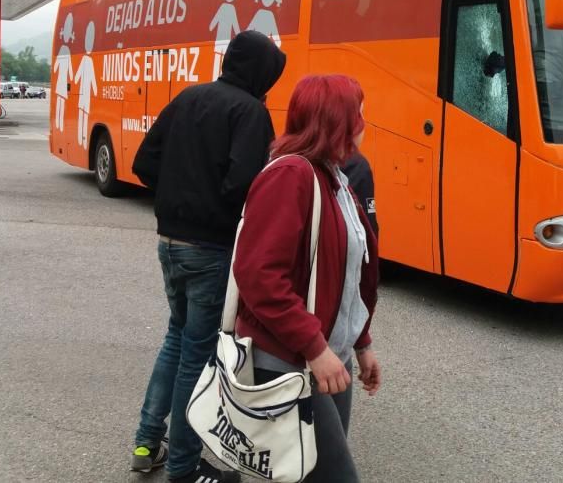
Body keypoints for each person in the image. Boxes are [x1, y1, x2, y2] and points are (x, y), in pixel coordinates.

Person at [129, 30, 286, 483]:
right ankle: (182, 467)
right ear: (259, 71)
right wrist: (215, 210)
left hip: (169, 243)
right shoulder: (250, 112)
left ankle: (146, 443)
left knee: (176, 340)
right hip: (212, 249)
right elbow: (246, 184)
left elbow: (145, 162)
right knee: (196, 355)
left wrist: (178, 197)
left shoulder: (188, 97)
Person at [233, 74, 380, 483]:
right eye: (360, 113)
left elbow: (350, 274)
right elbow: (259, 275)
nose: (366, 122)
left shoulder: (334, 177)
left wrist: (361, 342)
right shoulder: (291, 175)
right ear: (336, 119)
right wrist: (314, 348)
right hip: (291, 363)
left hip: (329, 356)